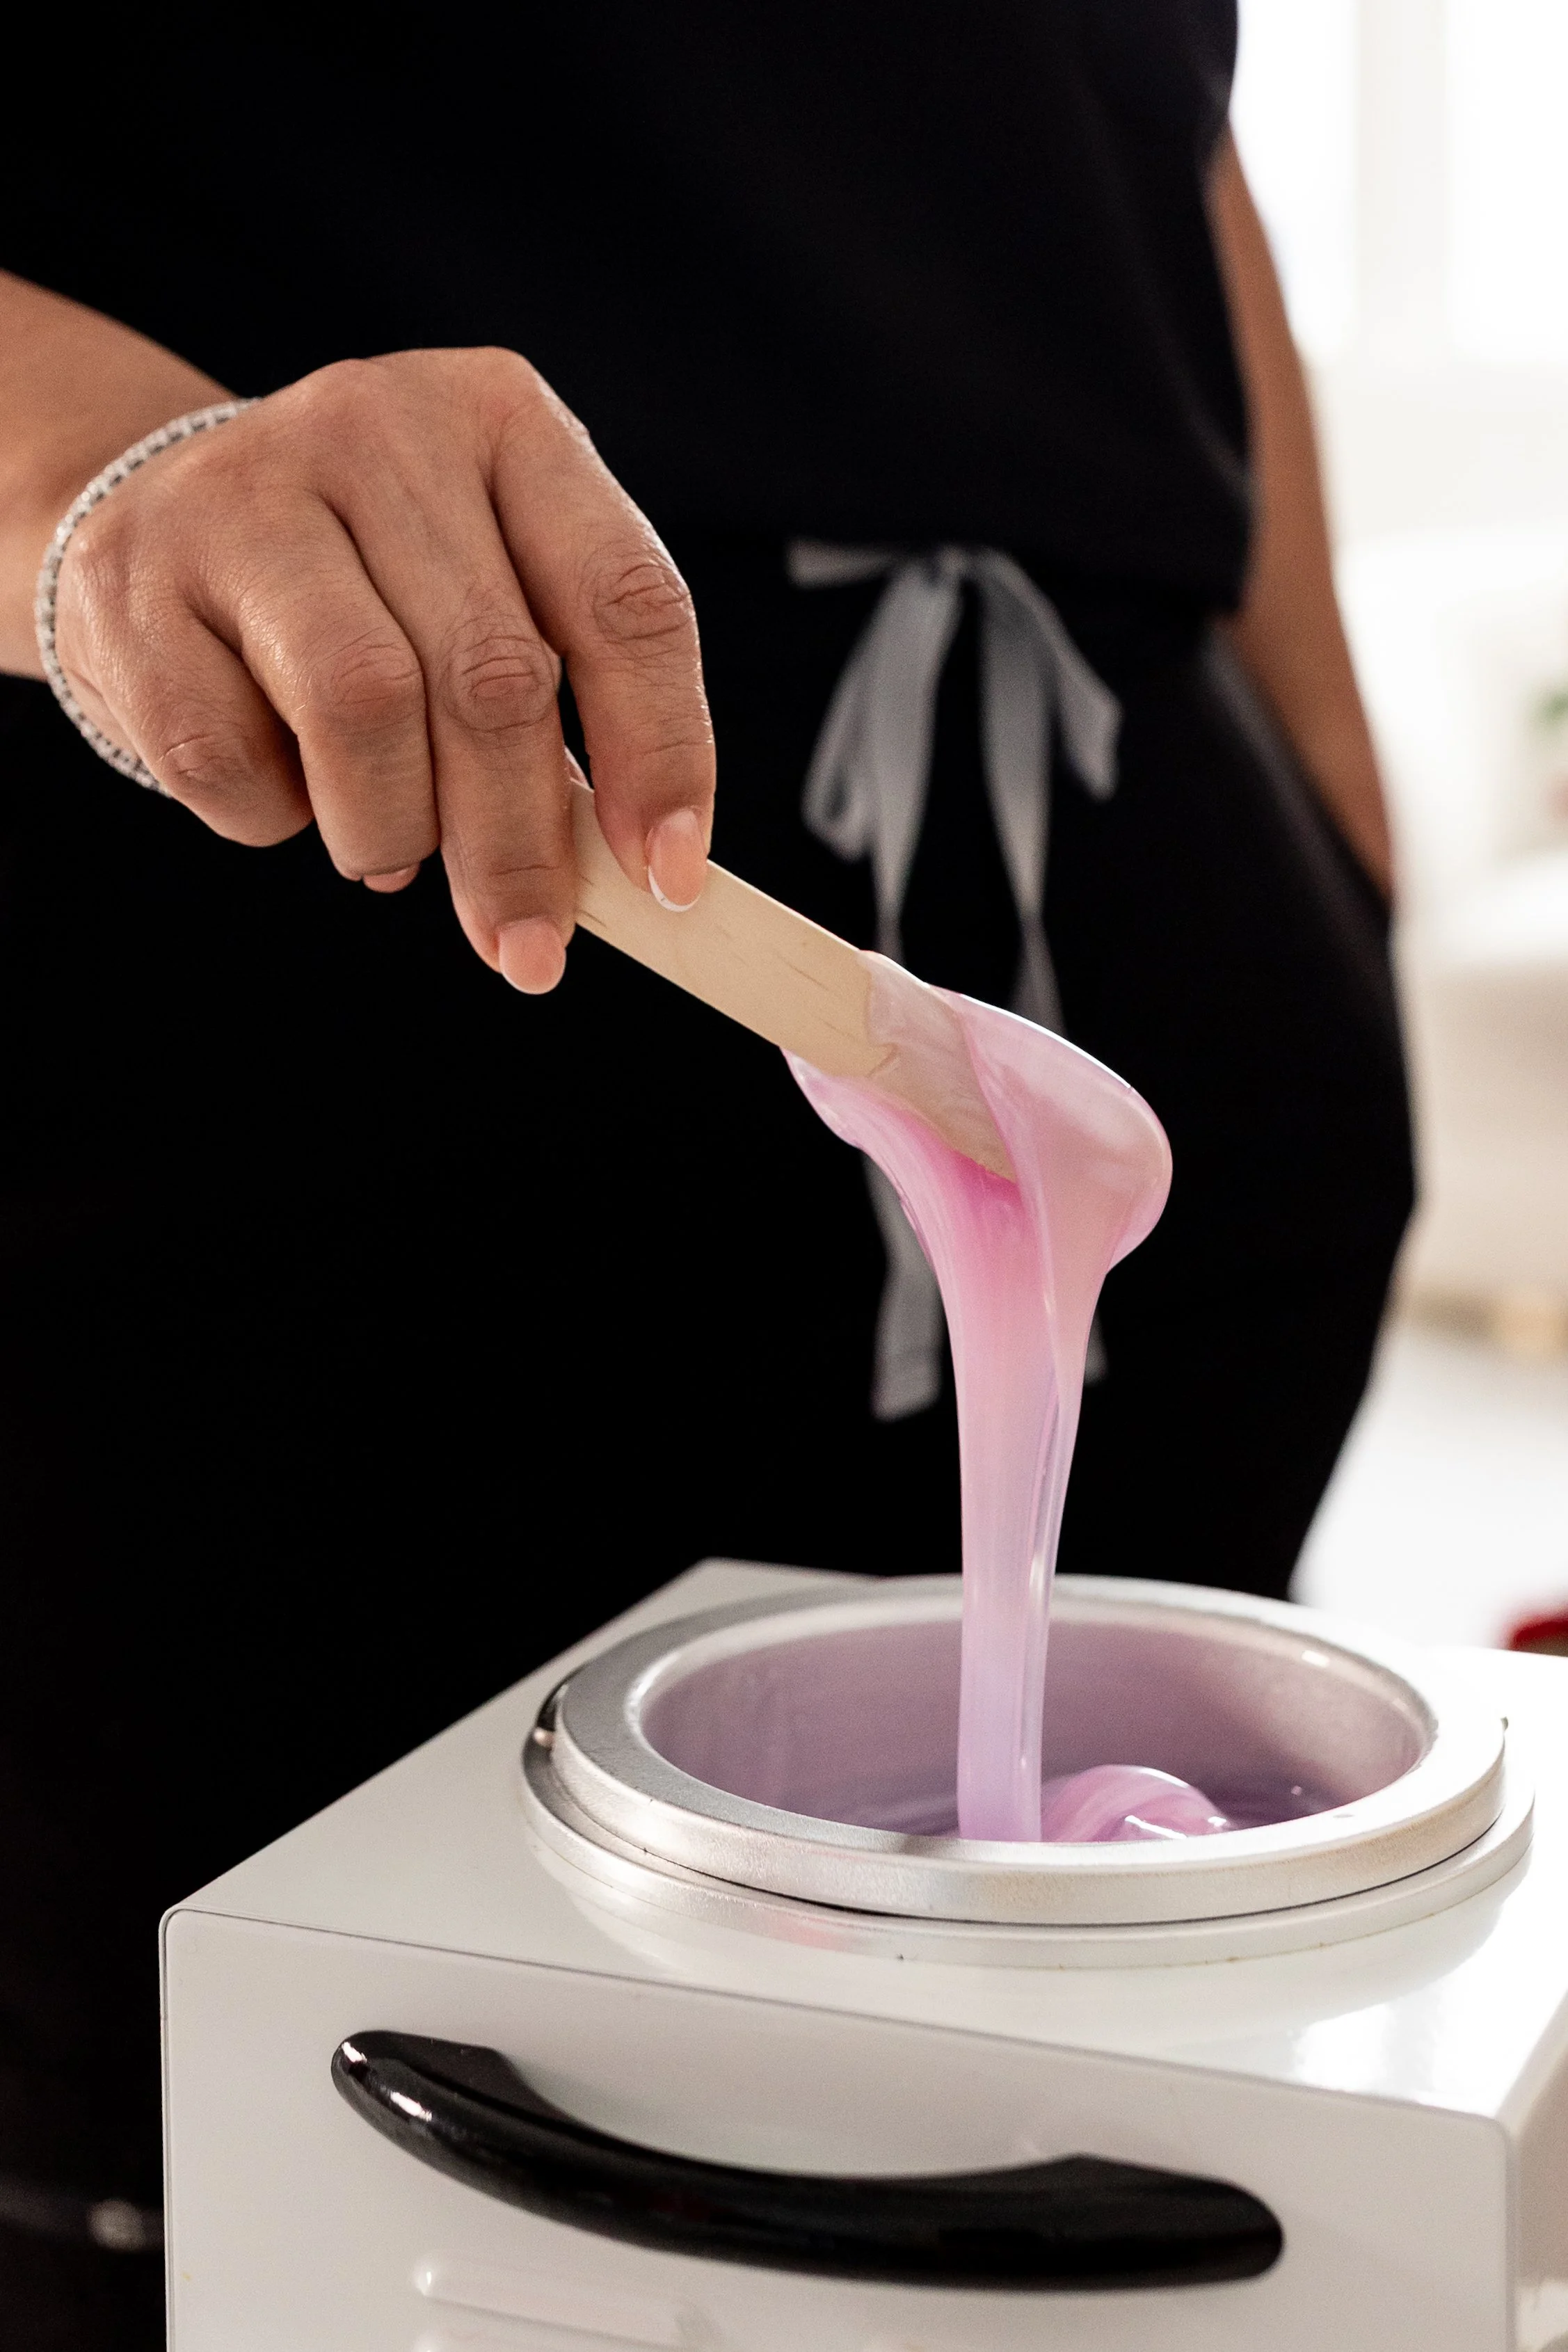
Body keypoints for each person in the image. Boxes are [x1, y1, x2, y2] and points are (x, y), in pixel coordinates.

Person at [0, 7, 1411, 2339]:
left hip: (1188, 1234)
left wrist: (1322, 832)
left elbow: (1153, 136)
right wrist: (105, 481)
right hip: (294, 1335)